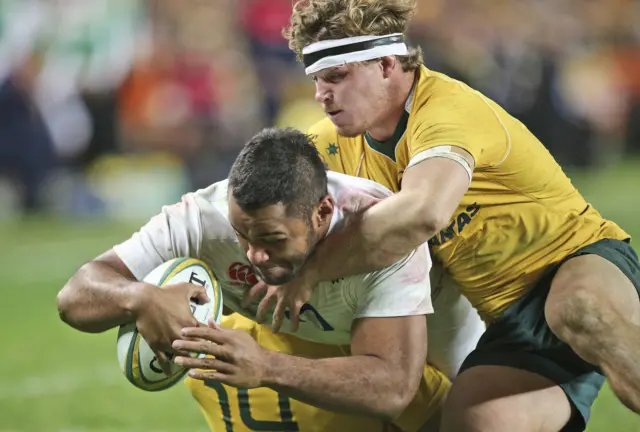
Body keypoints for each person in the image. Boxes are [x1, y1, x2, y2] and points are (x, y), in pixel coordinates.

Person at [245, 1, 640, 431]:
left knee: (578, 309)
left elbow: (423, 213)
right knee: (470, 423)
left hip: (577, 262)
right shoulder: (331, 143)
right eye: (318, 79)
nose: (322, 94)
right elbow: (251, 194)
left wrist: (313, 269)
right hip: (511, 325)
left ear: (387, 65)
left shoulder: (446, 112)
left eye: (338, 76)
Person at [57, 127, 484, 432]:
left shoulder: (380, 235)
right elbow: (76, 294)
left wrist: (265, 366)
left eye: (272, 240)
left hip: (436, 356)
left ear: (321, 214)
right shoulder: (202, 217)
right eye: (241, 235)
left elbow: (393, 386)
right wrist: (140, 297)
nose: (253, 254)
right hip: (300, 337)